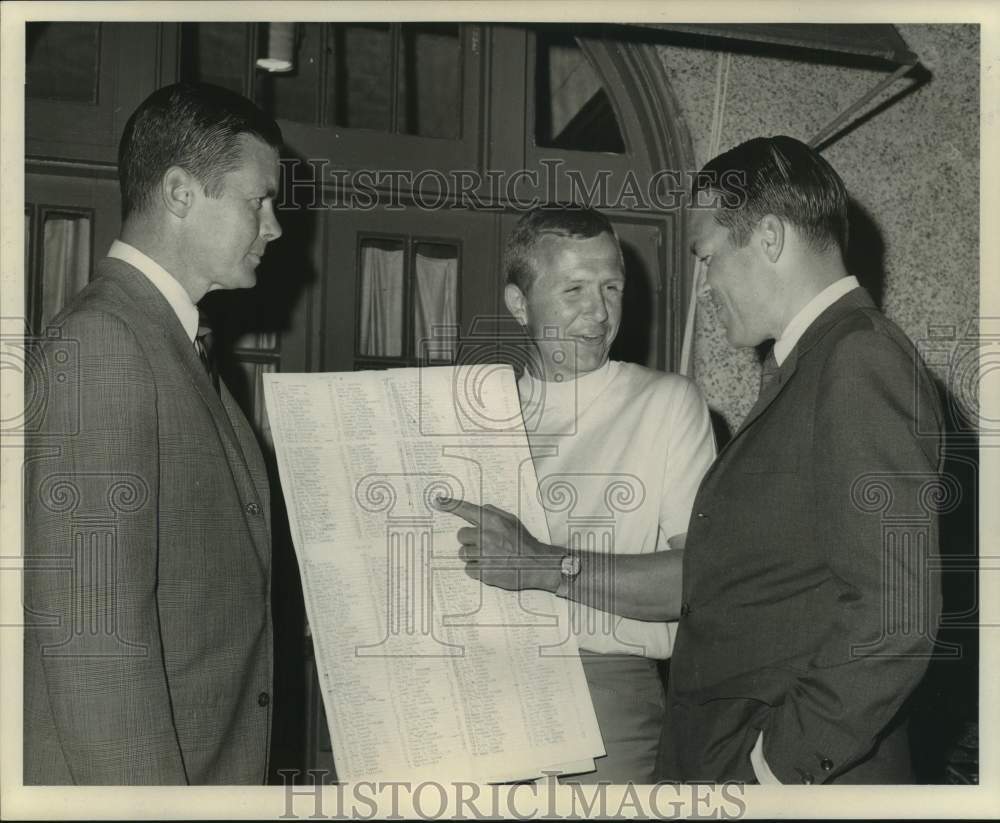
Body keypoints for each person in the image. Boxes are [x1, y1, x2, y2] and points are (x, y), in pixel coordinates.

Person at [442, 137, 943, 784]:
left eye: (707, 256)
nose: (703, 285)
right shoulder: (815, 363)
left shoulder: (857, 359)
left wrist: (773, 765)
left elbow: (895, 615)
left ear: (767, 237)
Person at [23, 82, 283, 784]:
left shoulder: (173, 339)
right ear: (179, 192)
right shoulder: (107, 343)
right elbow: (94, 646)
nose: (275, 227)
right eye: (257, 201)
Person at [474, 206, 715, 783]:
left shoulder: (666, 403)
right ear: (518, 303)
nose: (600, 312)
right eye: (575, 289)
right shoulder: (477, 410)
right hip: (475, 698)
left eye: (612, 288)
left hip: (606, 703)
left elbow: (698, 581)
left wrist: (546, 564)